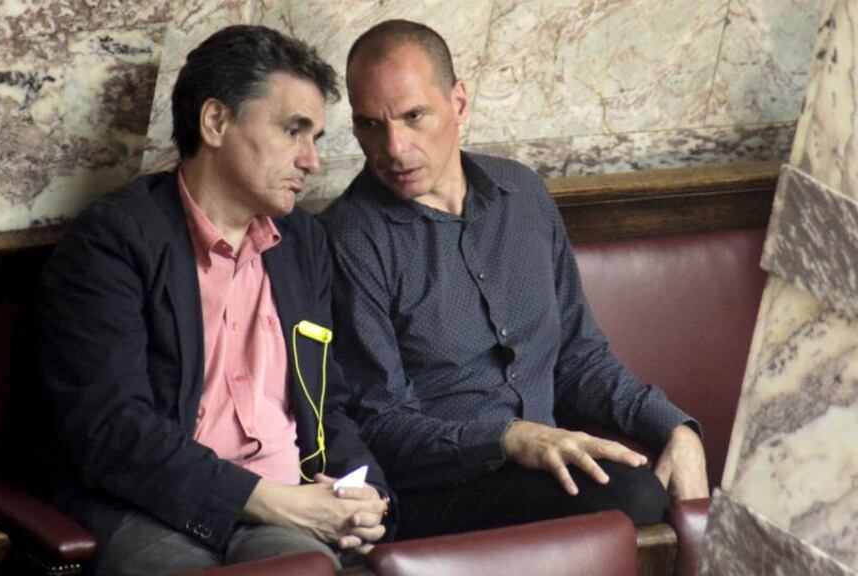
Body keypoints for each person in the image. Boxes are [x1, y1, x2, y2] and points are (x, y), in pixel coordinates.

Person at [320, 19, 708, 540]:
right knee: (634, 495)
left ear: (459, 102)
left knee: (657, 483)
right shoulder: (350, 236)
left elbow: (579, 357)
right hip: (435, 491)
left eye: (415, 116)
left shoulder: (521, 194)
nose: (393, 147)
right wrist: (507, 439)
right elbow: (381, 425)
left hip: (542, 472)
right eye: (370, 125)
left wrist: (676, 428)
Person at [35, 25, 391, 575]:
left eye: (315, 138)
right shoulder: (113, 240)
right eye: (294, 131)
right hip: (149, 508)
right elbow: (111, 430)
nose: (312, 161)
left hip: (285, 508)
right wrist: (276, 500)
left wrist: (361, 491)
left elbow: (327, 403)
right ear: (216, 122)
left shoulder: (302, 244)